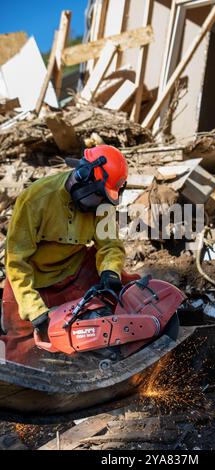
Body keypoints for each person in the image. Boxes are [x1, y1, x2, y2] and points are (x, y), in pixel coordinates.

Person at [1, 144, 137, 363]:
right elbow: (17, 262)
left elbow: (110, 244)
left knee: (124, 291)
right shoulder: (35, 199)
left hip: (74, 269)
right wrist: (34, 309)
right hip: (32, 279)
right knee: (20, 347)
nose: (101, 205)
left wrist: (110, 272)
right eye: (99, 197)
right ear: (83, 180)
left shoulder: (103, 201)